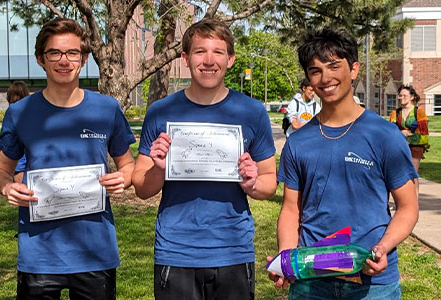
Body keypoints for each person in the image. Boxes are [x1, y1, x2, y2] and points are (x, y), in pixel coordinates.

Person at [132, 19, 277, 300]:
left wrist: (251, 183)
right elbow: (141, 187)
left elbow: (269, 182)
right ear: (185, 58)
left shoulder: (252, 112)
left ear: (231, 59)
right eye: (200, 52)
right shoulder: (161, 112)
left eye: (218, 52)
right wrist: (159, 169)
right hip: (176, 251)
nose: (209, 61)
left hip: (234, 250)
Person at [0, 18, 135, 299]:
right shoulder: (20, 112)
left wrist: (124, 178)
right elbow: (0, 170)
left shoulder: (107, 109)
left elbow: (128, 165)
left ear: (83, 59)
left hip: (95, 250)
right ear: (40, 60)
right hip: (39, 252)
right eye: (54, 53)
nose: (63, 61)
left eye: (72, 53)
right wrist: (7, 187)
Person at [270, 28, 419, 299]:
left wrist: (383, 247)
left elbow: (408, 207)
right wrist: (286, 256)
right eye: (315, 71)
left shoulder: (384, 135)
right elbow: (291, 210)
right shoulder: (298, 142)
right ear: (308, 78)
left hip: (373, 283)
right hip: (311, 282)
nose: (325, 78)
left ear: (353, 70)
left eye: (334, 66)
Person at [389, 85, 429, 195]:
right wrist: (402, 134)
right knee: (399, 172)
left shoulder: (418, 112)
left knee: (412, 172)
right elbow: (391, 130)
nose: (401, 98)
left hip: (415, 146)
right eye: (400, 95)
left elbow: (423, 130)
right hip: (400, 145)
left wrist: (407, 133)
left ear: (411, 97)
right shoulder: (395, 113)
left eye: (404, 95)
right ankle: (403, 197)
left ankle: (414, 197)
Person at [6, 81, 30, 183]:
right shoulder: (30, 108)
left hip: (17, 146)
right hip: (28, 147)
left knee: (18, 170)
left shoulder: (12, 110)